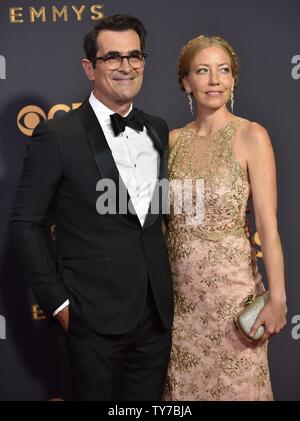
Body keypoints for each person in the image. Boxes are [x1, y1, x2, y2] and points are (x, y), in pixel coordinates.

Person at [11, 14, 173, 401]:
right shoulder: (58, 134)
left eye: (134, 56)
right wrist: (60, 304)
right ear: (90, 67)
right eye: (112, 57)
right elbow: (25, 223)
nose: (126, 66)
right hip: (90, 321)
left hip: (155, 318)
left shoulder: (158, 128)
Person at [164, 35, 287, 400]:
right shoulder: (170, 142)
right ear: (186, 82)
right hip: (181, 304)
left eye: (223, 70)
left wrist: (277, 298)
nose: (215, 79)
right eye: (203, 70)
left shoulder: (252, 135)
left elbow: (268, 225)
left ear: (233, 80)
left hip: (233, 301)